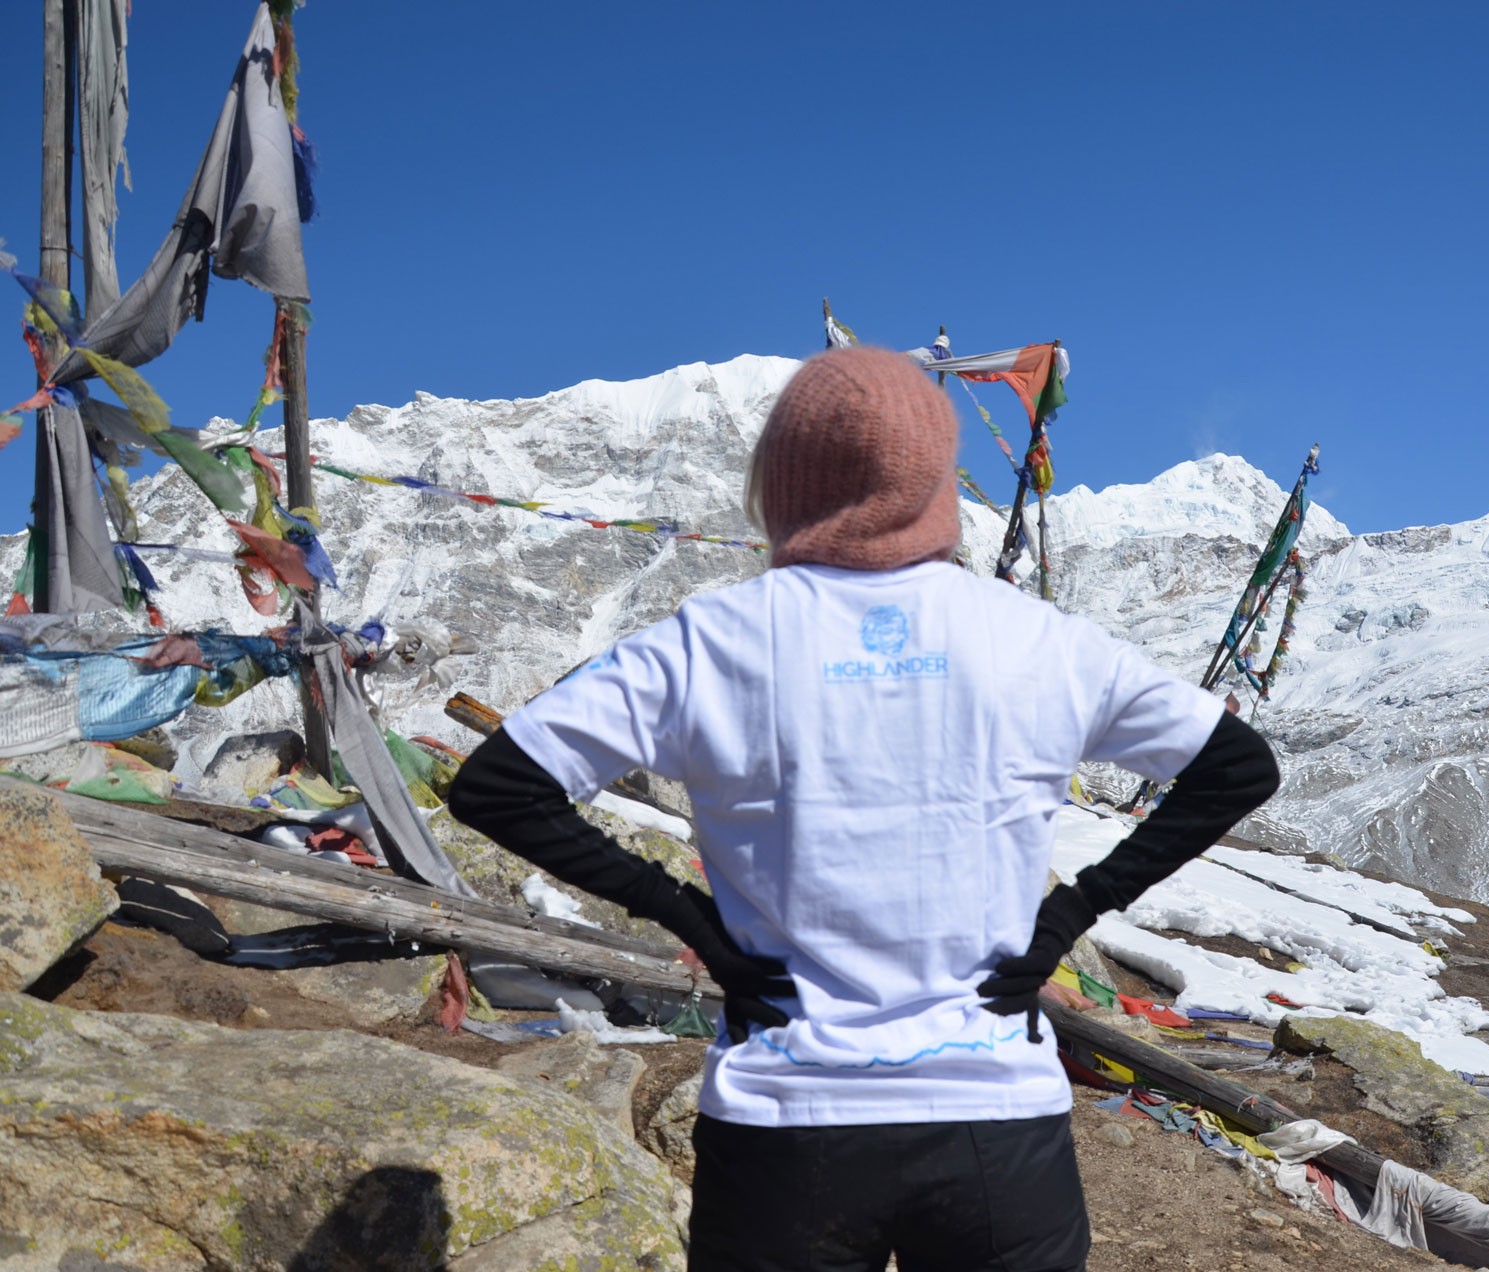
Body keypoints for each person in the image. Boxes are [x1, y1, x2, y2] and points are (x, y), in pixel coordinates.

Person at [448, 347, 1279, 1272]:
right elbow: (1236, 767)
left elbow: (498, 786)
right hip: (996, 1120)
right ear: (936, 479)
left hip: (784, 1123)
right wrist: (1067, 917)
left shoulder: (708, 643)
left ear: (782, 479)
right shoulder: (1036, 640)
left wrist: (688, 917)